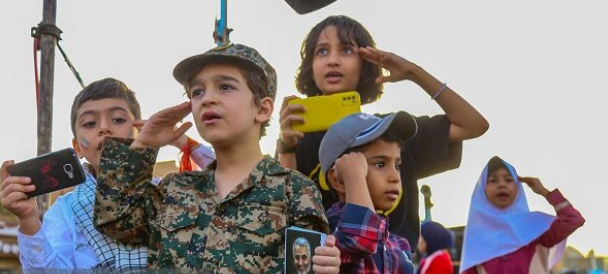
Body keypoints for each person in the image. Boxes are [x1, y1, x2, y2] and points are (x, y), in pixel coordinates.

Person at [93, 43, 341, 273]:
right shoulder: (174, 188)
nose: (207, 98)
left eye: (225, 87)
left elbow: (305, 268)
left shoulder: (295, 191)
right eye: (197, 91)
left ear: (263, 108)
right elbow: (115, 221)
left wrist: (325, 267)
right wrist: (143, 145)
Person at [277, 15, 489, 249]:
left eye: (346, 50)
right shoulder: (299, 139)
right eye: (322, 51)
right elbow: (287, 213)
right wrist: (286, 147)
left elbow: (473, 125)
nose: (333, 61)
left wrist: (414, 73)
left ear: (365, 62)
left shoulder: (393, 130)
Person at [0, 78, 214, 272]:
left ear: (140, 132)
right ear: (78, 148)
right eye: (90, 123)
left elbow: (234, 188)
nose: (104, 128)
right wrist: (28, 219)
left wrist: (182, 142)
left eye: (118, 120)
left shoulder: (168, 193)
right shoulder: (66, 210)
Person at [319, 111, 418, 273]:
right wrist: (354, 177)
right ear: (337, 180)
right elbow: (361, 239)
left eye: (397, 166)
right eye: (380, 164)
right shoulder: (331, 232)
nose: (394, 177)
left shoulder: (400, 244)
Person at [460, 156, 585, 274]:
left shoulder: (535, 229)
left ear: (518, 187)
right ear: (483, 189)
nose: (502, 184)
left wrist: (544, 191)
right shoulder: (477, 237)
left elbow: (574, 220)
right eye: (493, 180)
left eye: (509, 180)